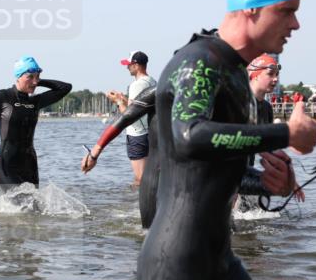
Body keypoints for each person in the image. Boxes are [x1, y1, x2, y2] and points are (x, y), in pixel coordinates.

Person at [139, 0, 316, 280]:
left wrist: (272, 183)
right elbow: (189, 137)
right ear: (252, 8)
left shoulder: (236, 72)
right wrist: (284, 133)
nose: (296, 24)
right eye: (286, 11)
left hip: (220, 260)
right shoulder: (198, 61)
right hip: (177, 263)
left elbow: (216, 166)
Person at [80, 55, 295, 229]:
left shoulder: (204, 102)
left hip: (199, 184)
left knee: (225, 239)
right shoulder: (159, 93)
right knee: (153, 241)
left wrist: (282, 173)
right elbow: (126, 117)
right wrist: (96, 151)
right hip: (158, 181)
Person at [0, 56, 71, 189]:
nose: (34, 82)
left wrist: (36, 80)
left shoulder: (35, 102)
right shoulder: (2, 97)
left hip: (30, 164)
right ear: (18, 76)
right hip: (7, 164)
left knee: (34, 208)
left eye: (37, 77)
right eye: (30, 77)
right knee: (21, 203)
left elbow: (65, 87)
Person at [245, 54, 304, 206]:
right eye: (270, 74)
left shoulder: (266, 108)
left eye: (277, 75)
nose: (276, 79)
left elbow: (268, 148)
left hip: (247, 170)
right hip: (226, 174)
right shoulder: (237, 103)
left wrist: (290, 179)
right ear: (255, 75)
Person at [103, 51, 157, 186]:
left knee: (140, 179)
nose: (127, 67)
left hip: (137, 134)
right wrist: (123, 99)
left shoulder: (136, 85)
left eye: (129, 64)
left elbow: (130, 115)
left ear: (136, 65)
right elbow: (139, 107)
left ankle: (137, 206)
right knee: (147, 176)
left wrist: (118, 102)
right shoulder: (152, 81)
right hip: (150, 133)